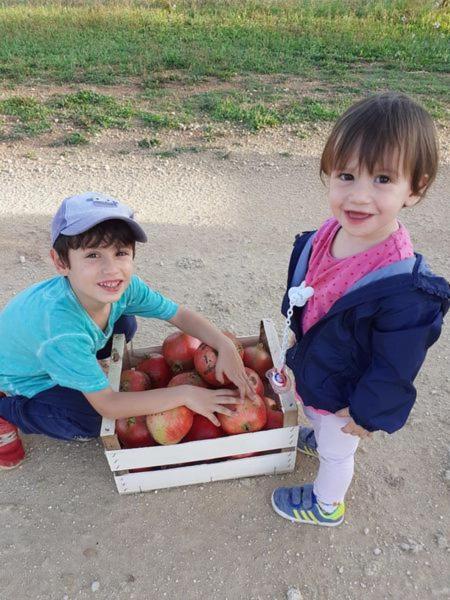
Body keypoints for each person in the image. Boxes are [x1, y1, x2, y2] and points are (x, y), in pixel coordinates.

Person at [271, 92, 449, 526]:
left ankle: (326, 504)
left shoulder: (402, 287)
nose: (360, 196)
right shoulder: (325, 235)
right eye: (347, 175)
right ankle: (315, 428)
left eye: (383, 179)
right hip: (322, 361)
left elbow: (396, 363)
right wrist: (294, 326)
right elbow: (308, 285)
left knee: (337, 450)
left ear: (416, 188)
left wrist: (368, 412)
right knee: (314, 410)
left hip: (346, 391)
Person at [0, 192, 254, 469]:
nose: (111, 269)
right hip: (27, 375)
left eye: (120, 253)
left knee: (124, 323)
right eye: (93, 255)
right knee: (89, 420)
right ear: (61, 262)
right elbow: (108, 405)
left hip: (52, 348)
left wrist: (224, 343)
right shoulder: (63, 333)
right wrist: (186, 394)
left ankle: (84, 371)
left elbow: (178, 314)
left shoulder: (123, 288)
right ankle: (8, 411)